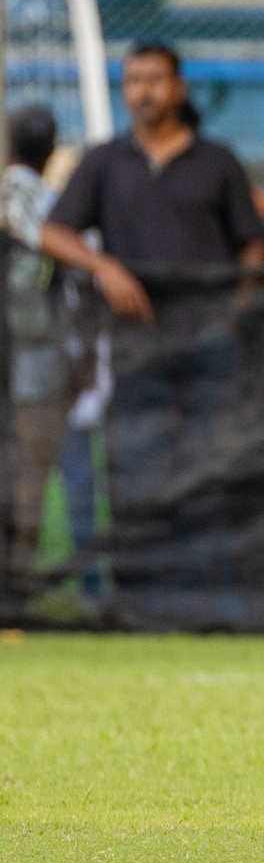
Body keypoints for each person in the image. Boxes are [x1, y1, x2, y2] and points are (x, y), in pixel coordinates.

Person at [41, 43, 264, 597]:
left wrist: (233, 310)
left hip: (209, 343)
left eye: (155, 80)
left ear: (179, 87)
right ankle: (141, 594)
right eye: (133, 81)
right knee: (137, 462)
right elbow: (52, 231)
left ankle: (216, 594)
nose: (144, 91)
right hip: (136, 342)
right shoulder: (104, 161)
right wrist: (105, 268)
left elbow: (254, 246)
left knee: (214, 462)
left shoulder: (217, 161)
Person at [2, 106, 74, 590]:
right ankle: (17, 579)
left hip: (26, 356)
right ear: (52, 148)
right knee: (32, 473)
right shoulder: (54, 208)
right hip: (38, 356)